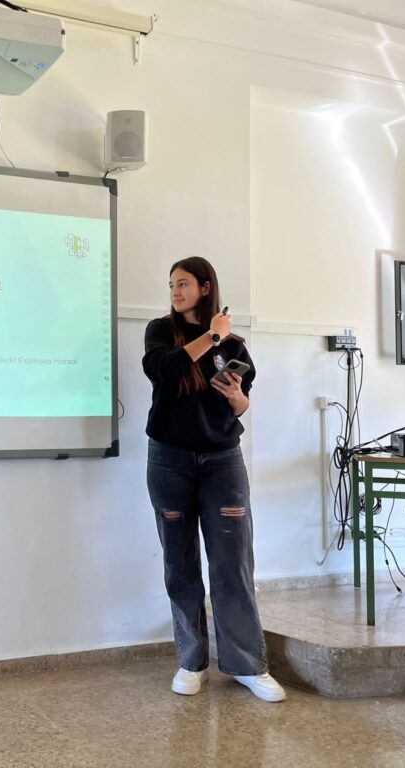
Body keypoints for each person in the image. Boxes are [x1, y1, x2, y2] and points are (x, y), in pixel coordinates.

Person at [141, 256, 286, 703]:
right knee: (180, 563)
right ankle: (192, 662)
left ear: (205, 287)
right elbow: (163, 371)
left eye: (183, 283)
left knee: (232, 562)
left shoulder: (234, 347)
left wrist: (238, 396)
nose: (175, 291)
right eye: (171, 284)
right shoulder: (161, 331)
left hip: (222, 460)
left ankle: (247, 666)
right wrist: (212, 336)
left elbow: (241, 404)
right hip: (169, 460)